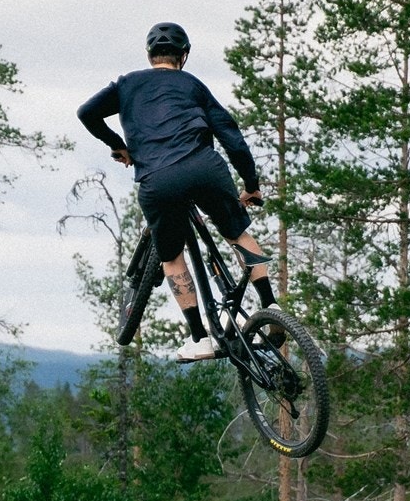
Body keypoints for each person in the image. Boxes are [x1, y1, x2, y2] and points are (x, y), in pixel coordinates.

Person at [77, 22, 275, 361]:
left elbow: (87, 113)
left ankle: (200, 338)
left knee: (171, 257)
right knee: (237, 233)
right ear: (183, 56)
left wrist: (119, 145)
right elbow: (232, 138)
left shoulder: (127, 85)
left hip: (159, 179)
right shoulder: (192, 85)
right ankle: (272, 306)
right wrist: (251, 185)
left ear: (149, 55)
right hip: (204, 168)